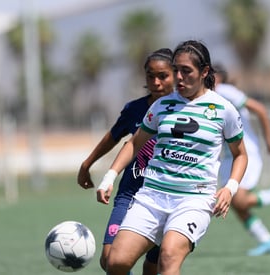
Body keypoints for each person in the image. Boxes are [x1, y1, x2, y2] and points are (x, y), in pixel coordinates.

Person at [96, 40, 248, 275]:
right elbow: (134, 143)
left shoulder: (223, 109)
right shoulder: (161, 105)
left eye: (186, 71)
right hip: (152, 197)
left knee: (168, 257)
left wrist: (230, 187)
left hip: (193, 200)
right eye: (176, 70)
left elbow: (240, 155)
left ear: (204, 72)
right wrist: (110, 176)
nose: (179, 77)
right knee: (115, 262)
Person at [77, 48, 175, 275]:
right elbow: (113, 137)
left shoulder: (185, 109)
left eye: (163, 76)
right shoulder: (135, 109)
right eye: (151, 76)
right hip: (129, 194)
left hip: (165, 197)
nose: (156, 82)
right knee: (109, 259)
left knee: (153, 266)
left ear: (175, 75)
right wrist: (87, 164)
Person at [213, 63, 270, 256]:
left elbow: (261, 109)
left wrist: (269, 140)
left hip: (244, 151)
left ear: (219, 78)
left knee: (239, 200)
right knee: (232, 202)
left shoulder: (224, 91)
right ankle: (267, 241)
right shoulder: (205, 97)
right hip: (227, 156)